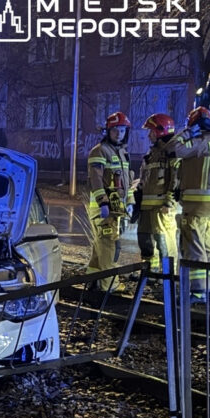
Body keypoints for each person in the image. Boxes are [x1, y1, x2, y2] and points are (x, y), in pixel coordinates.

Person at [163, 106, 210, 302]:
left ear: (195, 125)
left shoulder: (199, 143)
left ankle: (198, 291)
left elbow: (171, 149)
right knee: (208, 247)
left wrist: (187, 133)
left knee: (194, 248)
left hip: (195, 205)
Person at [86, 111, 134, 290]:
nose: (119, 134)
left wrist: (130, 202)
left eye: (122, 130)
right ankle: (109, 285)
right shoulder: (99, 151)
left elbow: (127, 182)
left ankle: (93, 279)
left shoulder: (122, 153)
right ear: (108, 131)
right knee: (109, 245)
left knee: (101, 244)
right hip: (103, 209)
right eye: (115, 130)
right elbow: (96, 179)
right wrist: (103, 202)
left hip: (114, 208)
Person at [136, 113, 180, 272]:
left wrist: (169, 202)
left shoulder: (171, 152)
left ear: (160, 131)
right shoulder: (151, 155)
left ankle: (168, 275)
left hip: (162, 207)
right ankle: (149, 271)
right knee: (145, 239)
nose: (149, 135)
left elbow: (176, 177)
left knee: (164, 241)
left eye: (151, 131)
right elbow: (144, 180)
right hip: (146, 207)